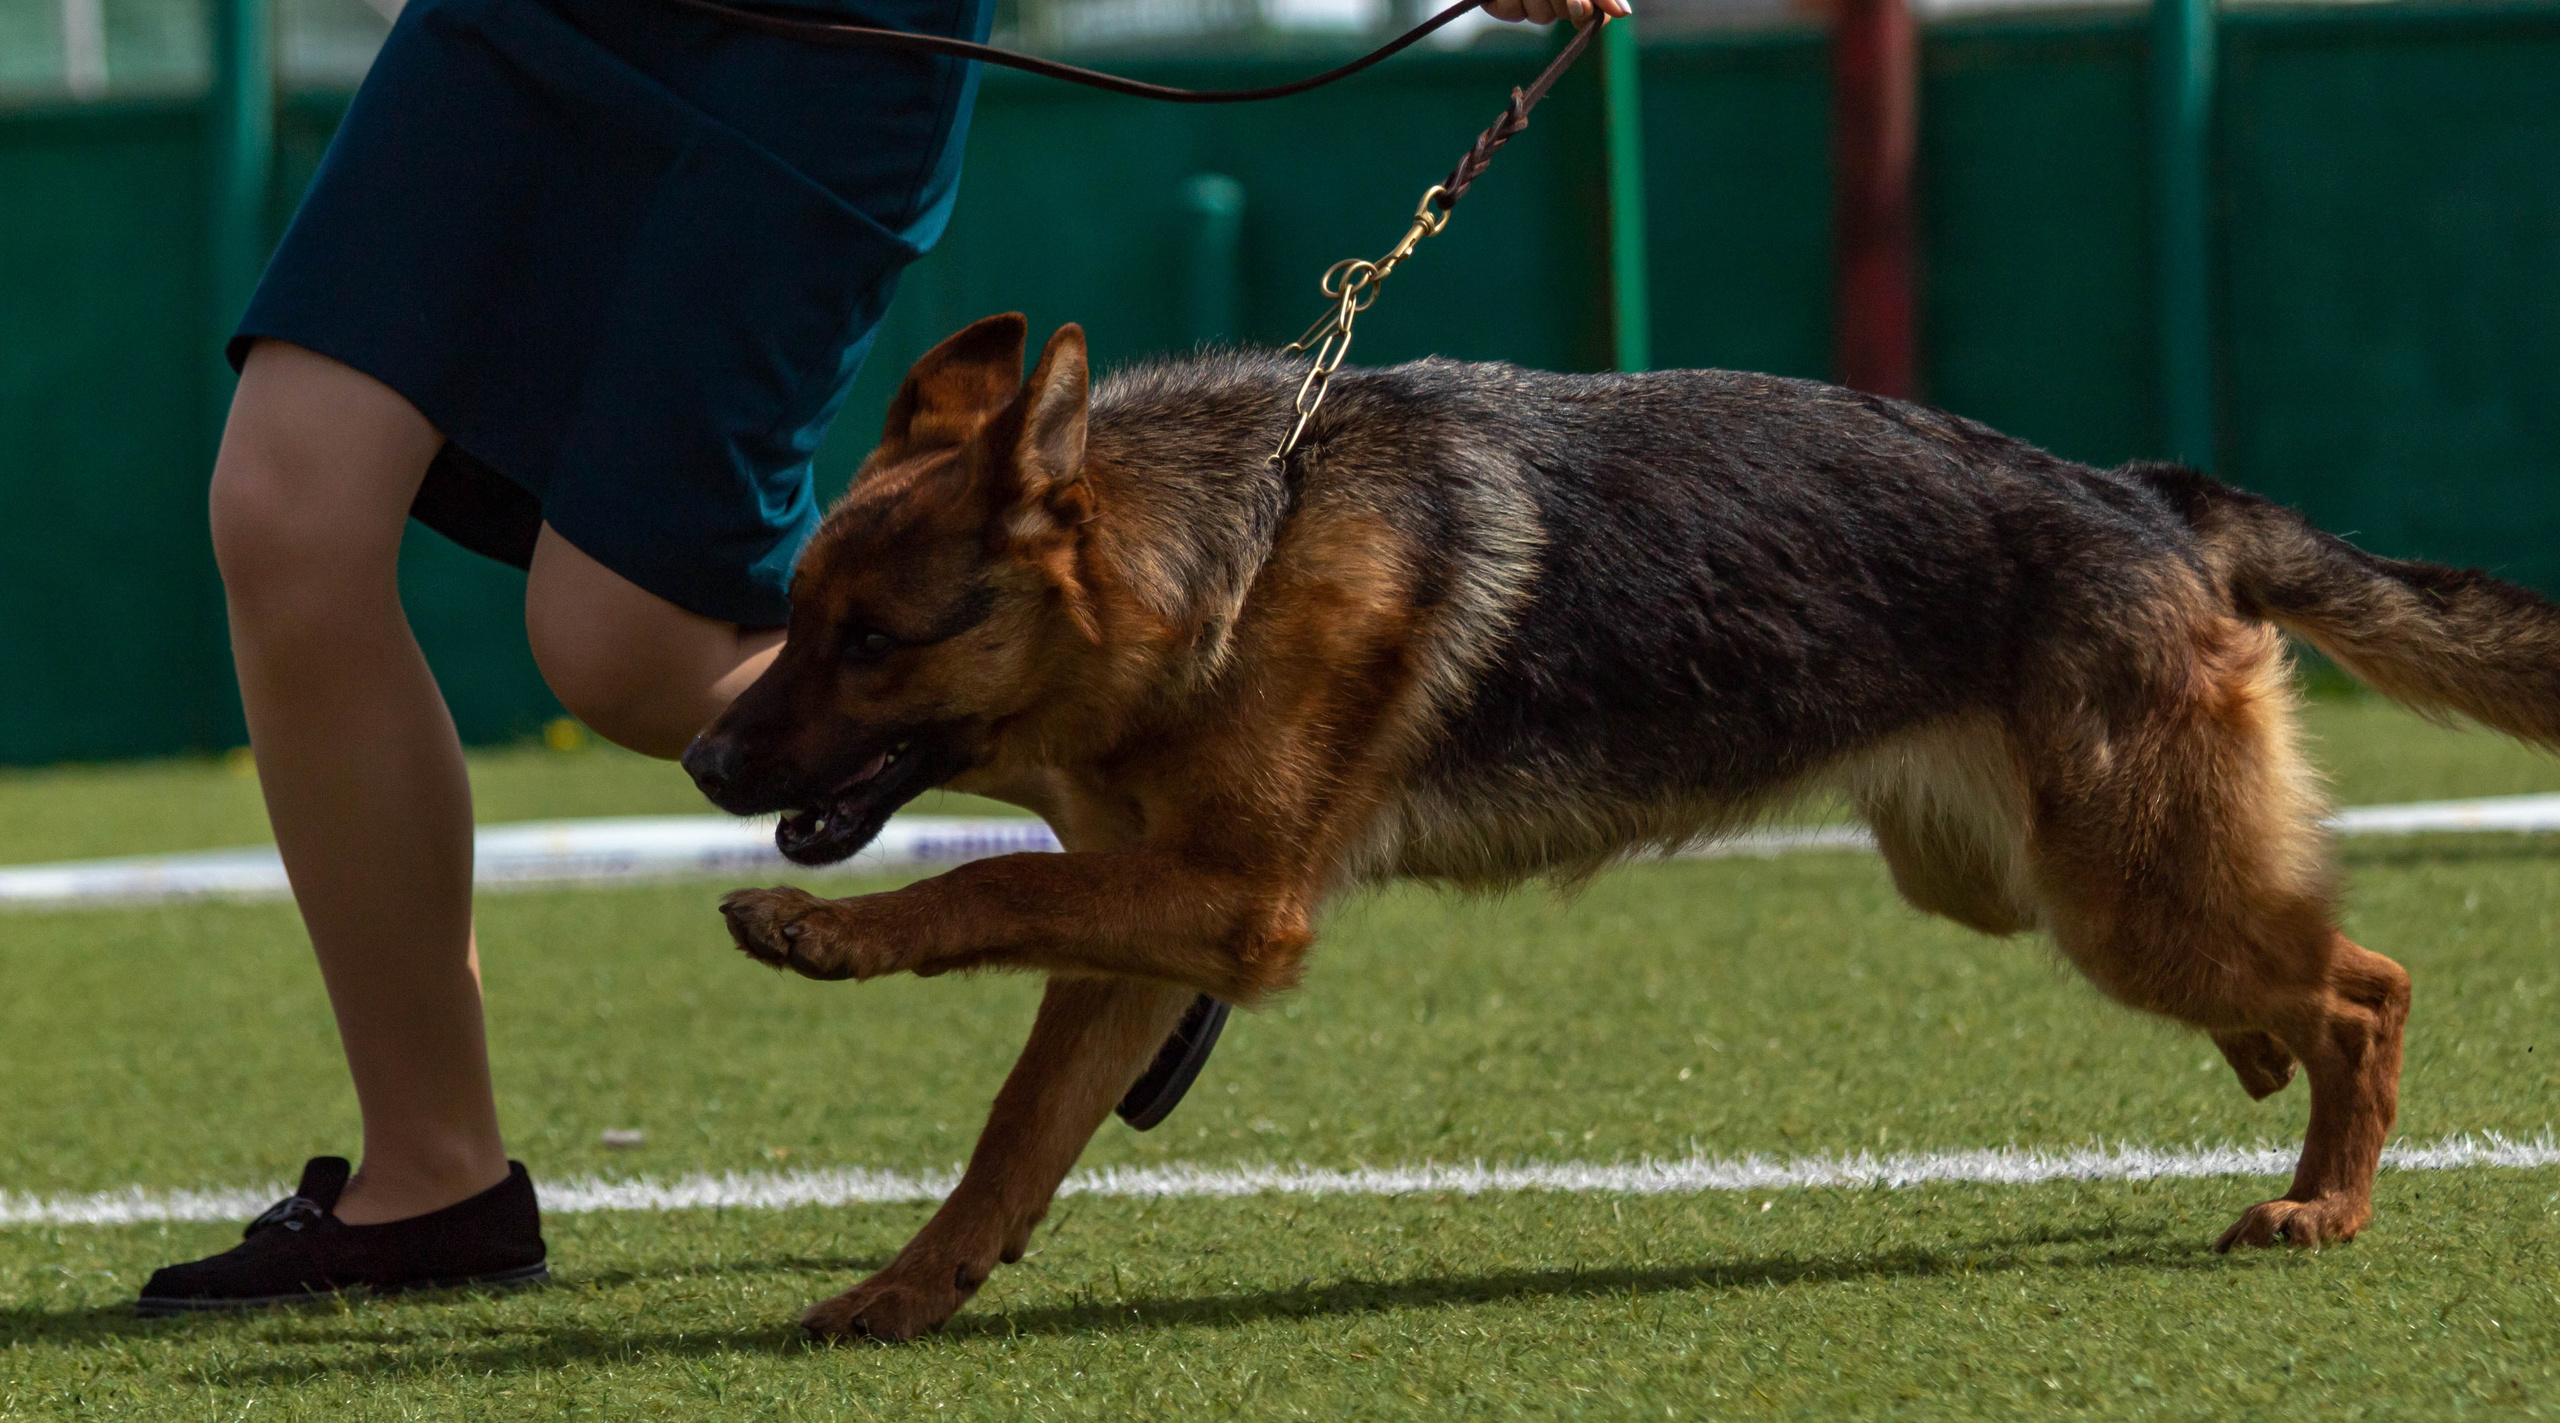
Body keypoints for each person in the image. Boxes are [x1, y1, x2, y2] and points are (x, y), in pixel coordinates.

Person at [138, 0, 1623, 1314]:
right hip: (518, 19)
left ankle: (1137, 883)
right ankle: (431, 1176)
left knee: (621, 650)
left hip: (818, 38)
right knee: (283, 511)